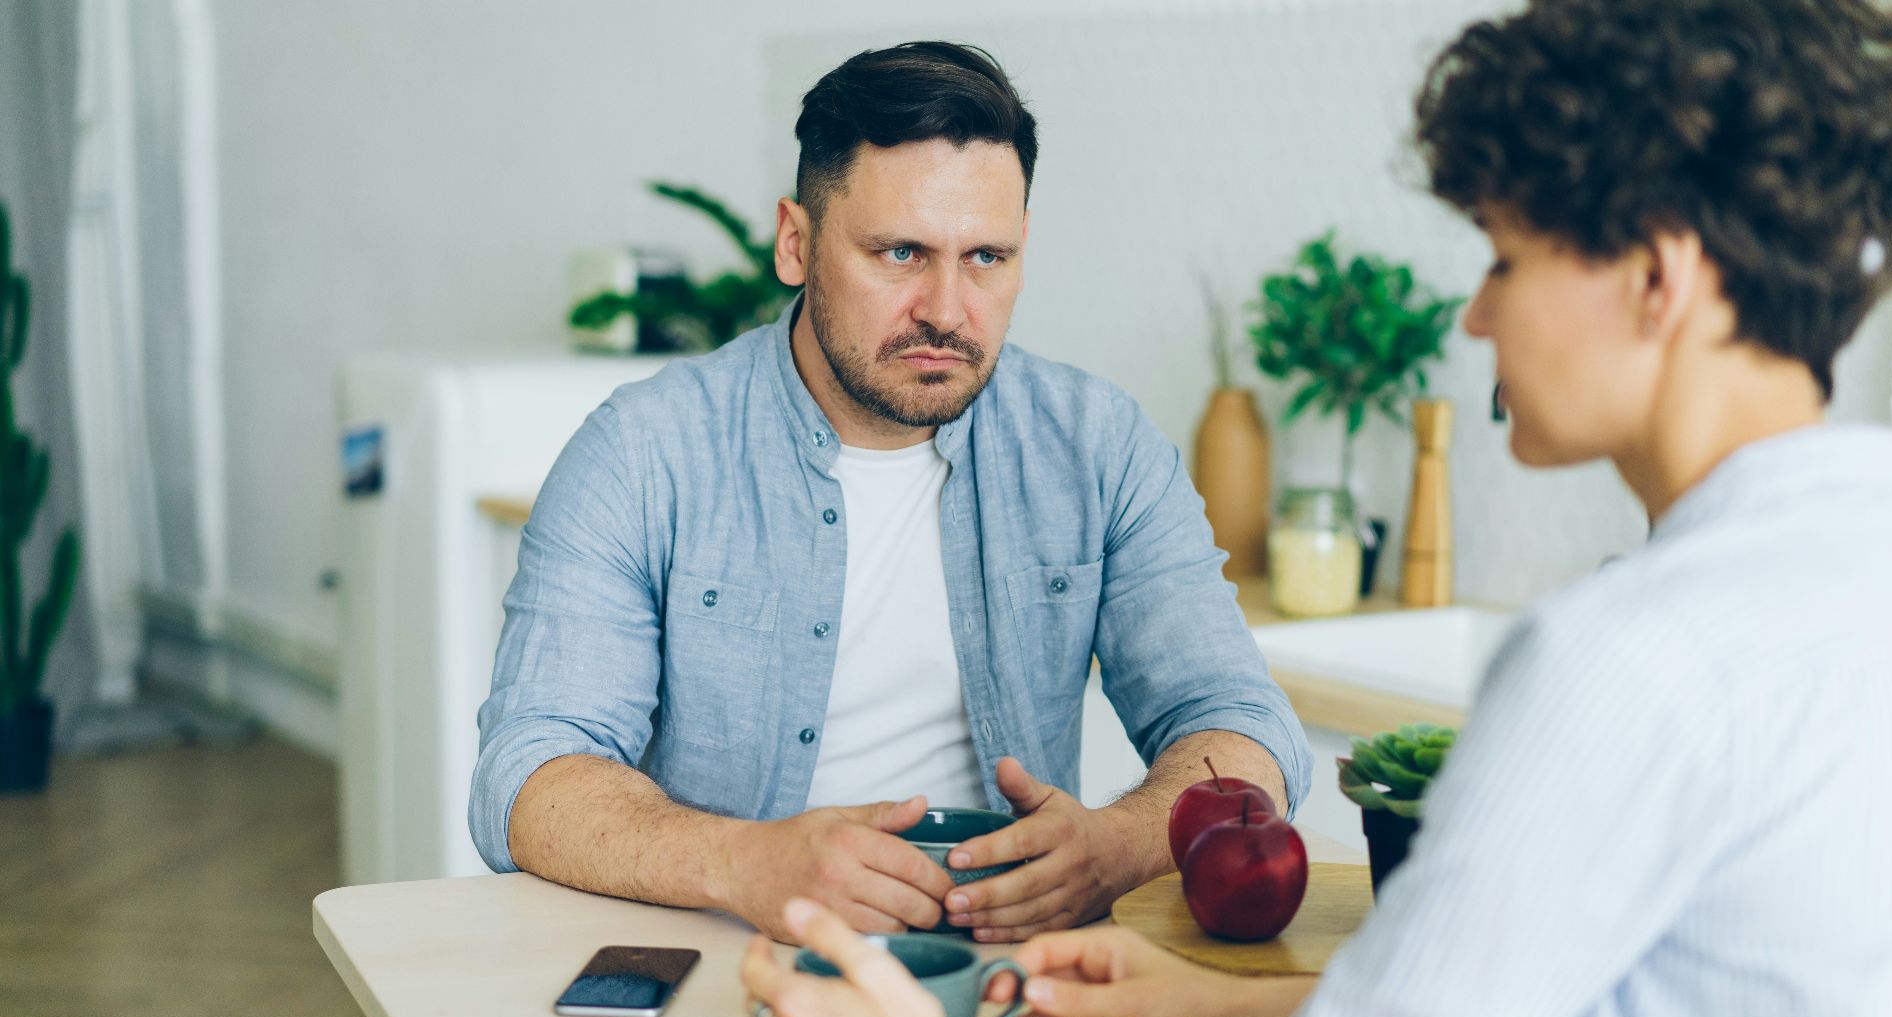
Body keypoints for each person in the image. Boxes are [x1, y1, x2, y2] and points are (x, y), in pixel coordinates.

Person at [740, 0, 1892, 1017]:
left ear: (1656, 281)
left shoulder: (1633, 660)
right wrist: (1224, 1013)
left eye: (1508, 256)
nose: (1479, 311)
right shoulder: (1880, 563)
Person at [468, 41, 1312, 945]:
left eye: (987, 256)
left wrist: (1122, 844)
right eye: (901, 251)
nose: (947, 309)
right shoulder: (643, 452)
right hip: (736, 953)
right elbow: (529, 772)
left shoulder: (1098, 446)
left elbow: (1240, 724)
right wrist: (744, 861)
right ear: (796, 243)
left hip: (1009, 971)